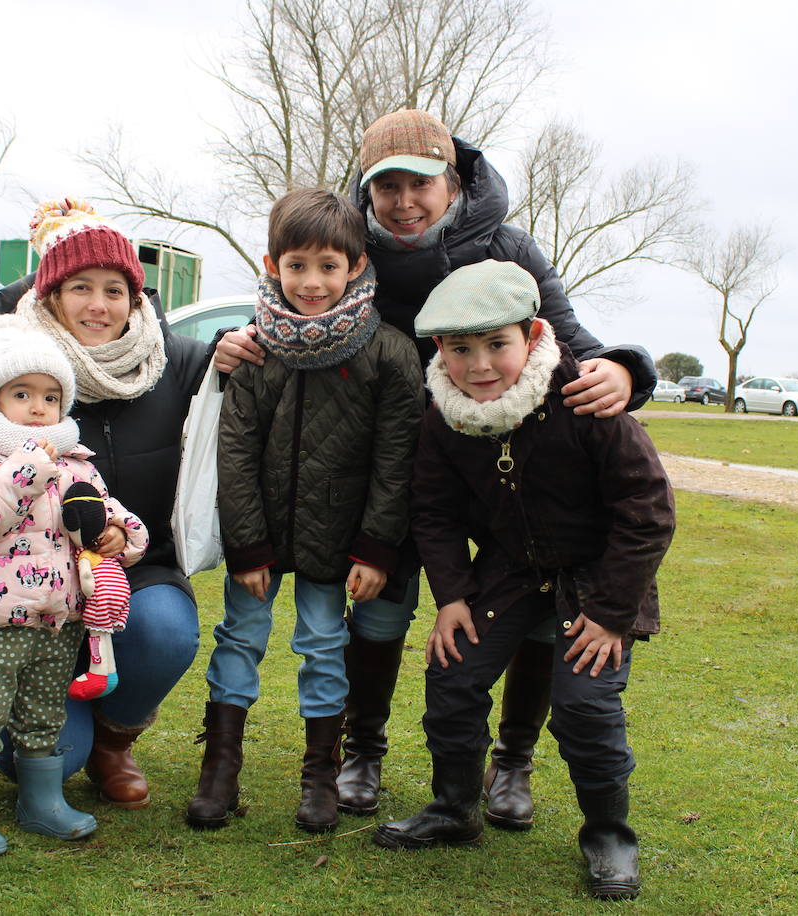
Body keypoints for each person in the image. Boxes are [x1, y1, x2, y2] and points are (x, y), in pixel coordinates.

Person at [214, 109, 659, 827]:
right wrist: (232, 342)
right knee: (383, 609)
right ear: (366, 192)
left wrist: (626, 372)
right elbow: (291, 300)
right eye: (385, 185)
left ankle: (510, 763)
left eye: (419, 183)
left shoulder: (508, 246)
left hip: (500, 464)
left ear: (452, 181)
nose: (404, 202)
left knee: (535, 613)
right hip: (388, 468)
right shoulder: (352, 243)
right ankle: (362, 748)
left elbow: (570, 340)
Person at [0, 198, 209, 811]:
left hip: (132, 572)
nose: (98, 305)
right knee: (55, 762)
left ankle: (116, 741)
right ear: (52, 294)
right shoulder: (15, 365)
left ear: (135, 297)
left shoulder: (179, 362)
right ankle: (53, 740)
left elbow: (251, 373)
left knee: (166, 632)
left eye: (115, 289)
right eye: (80, 287)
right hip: (29, 584)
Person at [372, 260, 674, 901]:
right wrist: (452, 595)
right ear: (439, 351)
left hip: (596, 578)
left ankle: (608, 833)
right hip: (508, 570)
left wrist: (614, 610)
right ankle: (455, 809)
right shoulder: (443, 416)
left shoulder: (587, 398)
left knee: (585, 706)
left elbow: (647, 510)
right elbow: (434, 511)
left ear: (533, 336)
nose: (480, 365)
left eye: (497, 344)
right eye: (461, 349)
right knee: (452, 675)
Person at [186, 188, 423, 834]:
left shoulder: (389, 353)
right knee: (240, 638)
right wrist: (247, 545)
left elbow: (395, 460)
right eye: (297, 266)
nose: (312, 282)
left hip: (338, 538)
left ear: (356, 265)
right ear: (273, 265)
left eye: (327, 266)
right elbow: (235, 449)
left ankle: (321, 775)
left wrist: (377, 548)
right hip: (260, 536)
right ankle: (221, 772)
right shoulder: (256, 348)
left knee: (324, 643)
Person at [0, 318, 145, 859]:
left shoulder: (75, 464)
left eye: (51, 397)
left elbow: (106, 514)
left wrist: (119, 533)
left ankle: (41, 800)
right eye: (21, 393)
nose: (36, 407)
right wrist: (26, 468)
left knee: (44, 710)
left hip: (60, 615)